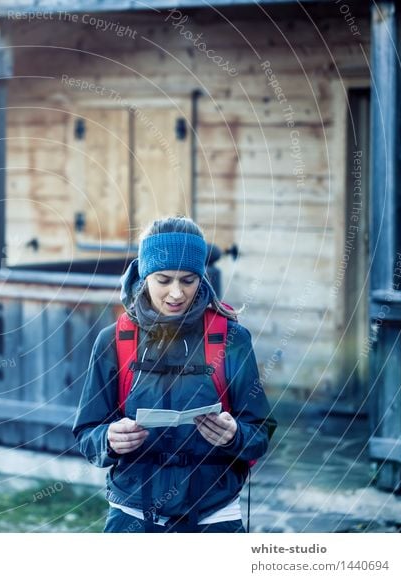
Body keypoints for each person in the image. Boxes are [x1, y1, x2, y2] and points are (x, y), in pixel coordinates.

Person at [72, 216, 276, 533]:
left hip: (215, 513)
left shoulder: (232, 339)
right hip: (132, 512)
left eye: (188, 280)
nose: (177, 293)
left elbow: (260, 432)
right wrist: (109, 439)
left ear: (202, 278)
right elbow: (87, 433)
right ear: (144, 275)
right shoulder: (113, 341)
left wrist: (235, 435)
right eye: (164, 279)